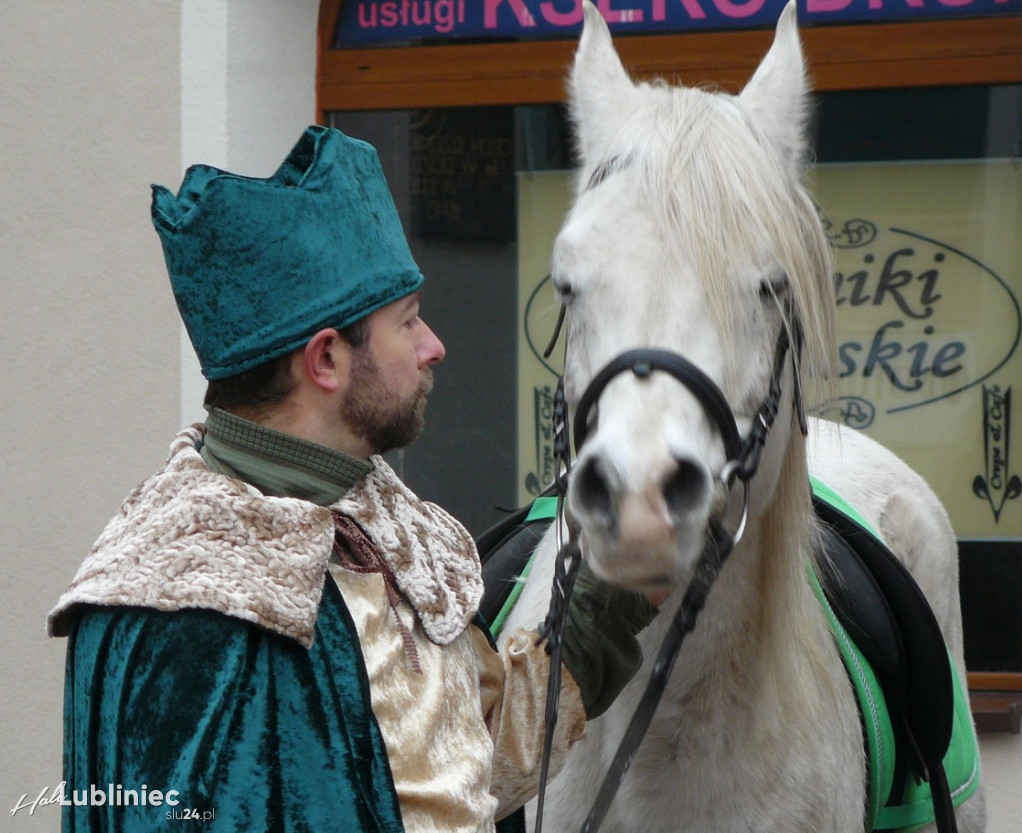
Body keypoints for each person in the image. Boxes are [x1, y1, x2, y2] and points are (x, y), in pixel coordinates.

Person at [49, 125, 656, 833]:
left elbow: (460, 764)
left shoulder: (377, 525)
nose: (435, 347)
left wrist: (614, 588)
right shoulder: (185, 605)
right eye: (409, 321)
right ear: (327, 360)